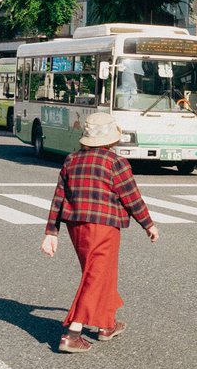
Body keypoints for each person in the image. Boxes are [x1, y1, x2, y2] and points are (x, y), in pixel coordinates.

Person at [41, 111, 159, 353]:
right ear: (112, 138)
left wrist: (51, 231)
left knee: (99, 272)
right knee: (96, 275)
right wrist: (148, 224)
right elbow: (131, 197)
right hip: (103, 226)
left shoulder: (72, 160)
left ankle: (107, 324)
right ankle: (73, 332)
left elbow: (59, 197)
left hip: (76, 226)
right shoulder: (115, 162)